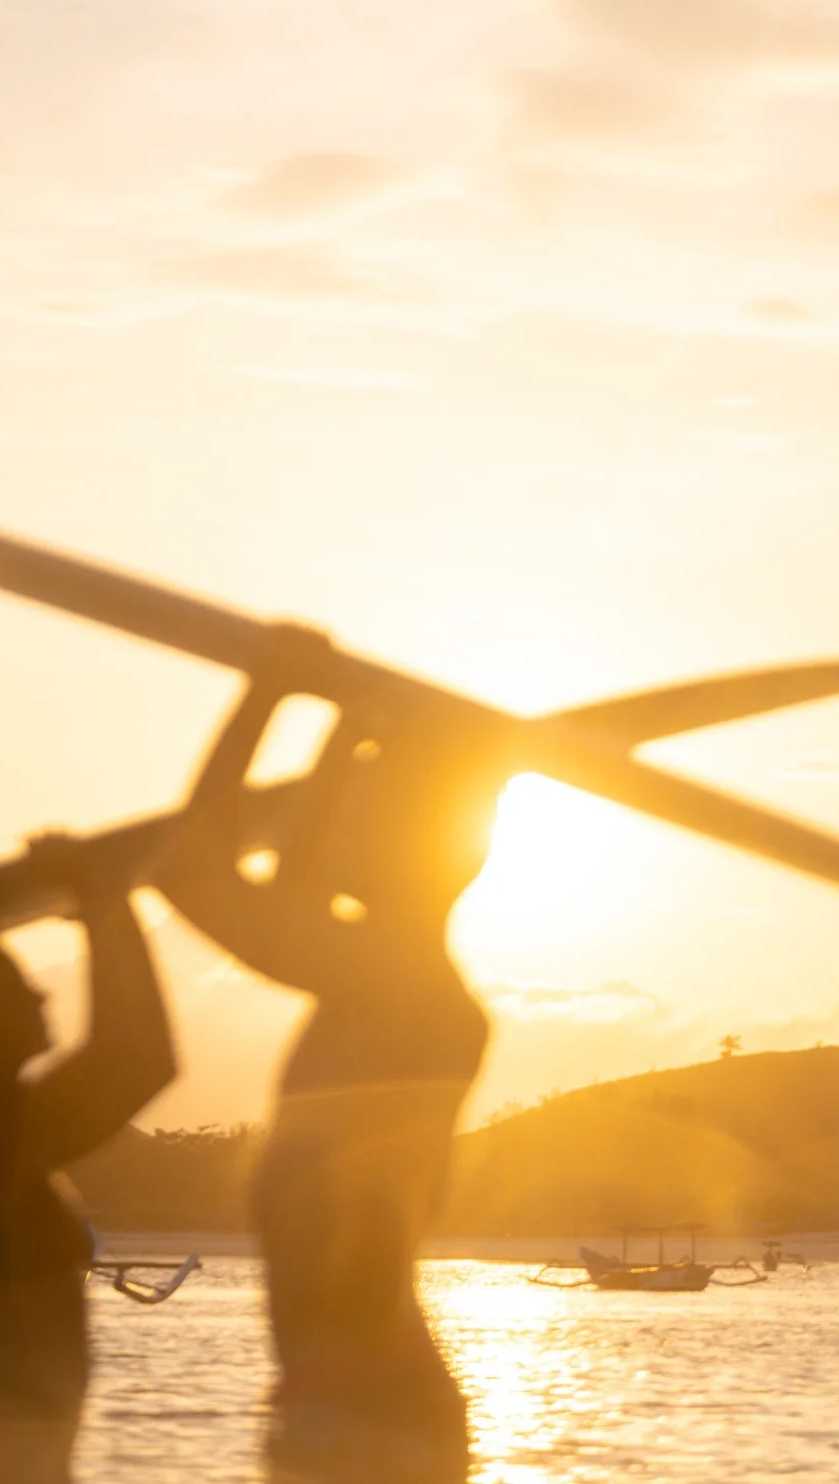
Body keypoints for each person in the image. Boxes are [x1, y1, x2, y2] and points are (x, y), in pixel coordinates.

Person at [155, 625, 512, 1484]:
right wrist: (338, 728)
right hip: (358, 1401)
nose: (337, 822)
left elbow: (193, 867)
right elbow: (291, 881)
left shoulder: (386, 980)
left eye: (365, 804)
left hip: (363, 1417)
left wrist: (268, 692)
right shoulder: (399, 976)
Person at [0, 831, 176, 1484]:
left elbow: (142, 1057)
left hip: (11, 1443)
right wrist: (103, 899)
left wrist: (101, 900)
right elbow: (141, 1057)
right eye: (17, 985)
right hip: (0, 1447)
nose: (41, 996)